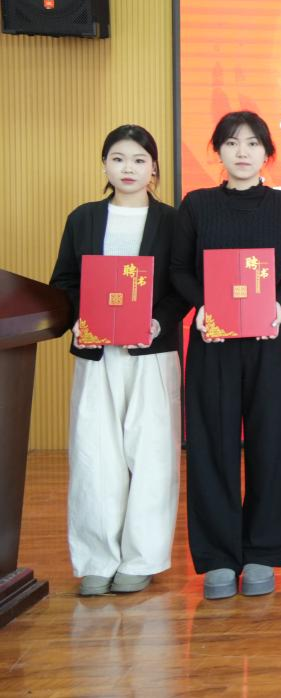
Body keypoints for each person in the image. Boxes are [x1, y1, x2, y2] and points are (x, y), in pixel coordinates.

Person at [171, 110, 281, 599]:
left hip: (269, 341)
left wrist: (278, 302)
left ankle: (262, 551)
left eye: (252, 143)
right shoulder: (196, 205)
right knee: (212, 445)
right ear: (218, 151)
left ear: (267, 152)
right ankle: (217, 557)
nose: (243, 152)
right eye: (231, 143)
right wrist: (202, 306)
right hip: (213, 343)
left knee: (271, 444)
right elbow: (179, 269)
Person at [49, 125, 187, 596]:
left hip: (151, 353)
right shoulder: (84, 218)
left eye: (139, 159)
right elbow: (64, 281)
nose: (128, 168)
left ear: (154, 168)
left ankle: (142, 557)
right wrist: (77, 318)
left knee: (152, 455)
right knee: (94, 453)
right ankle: (96, 558)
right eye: (118, 158)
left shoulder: (172, 221)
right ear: (105, 165)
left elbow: (181, 287)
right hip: (97, 354)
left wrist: (157, 323)